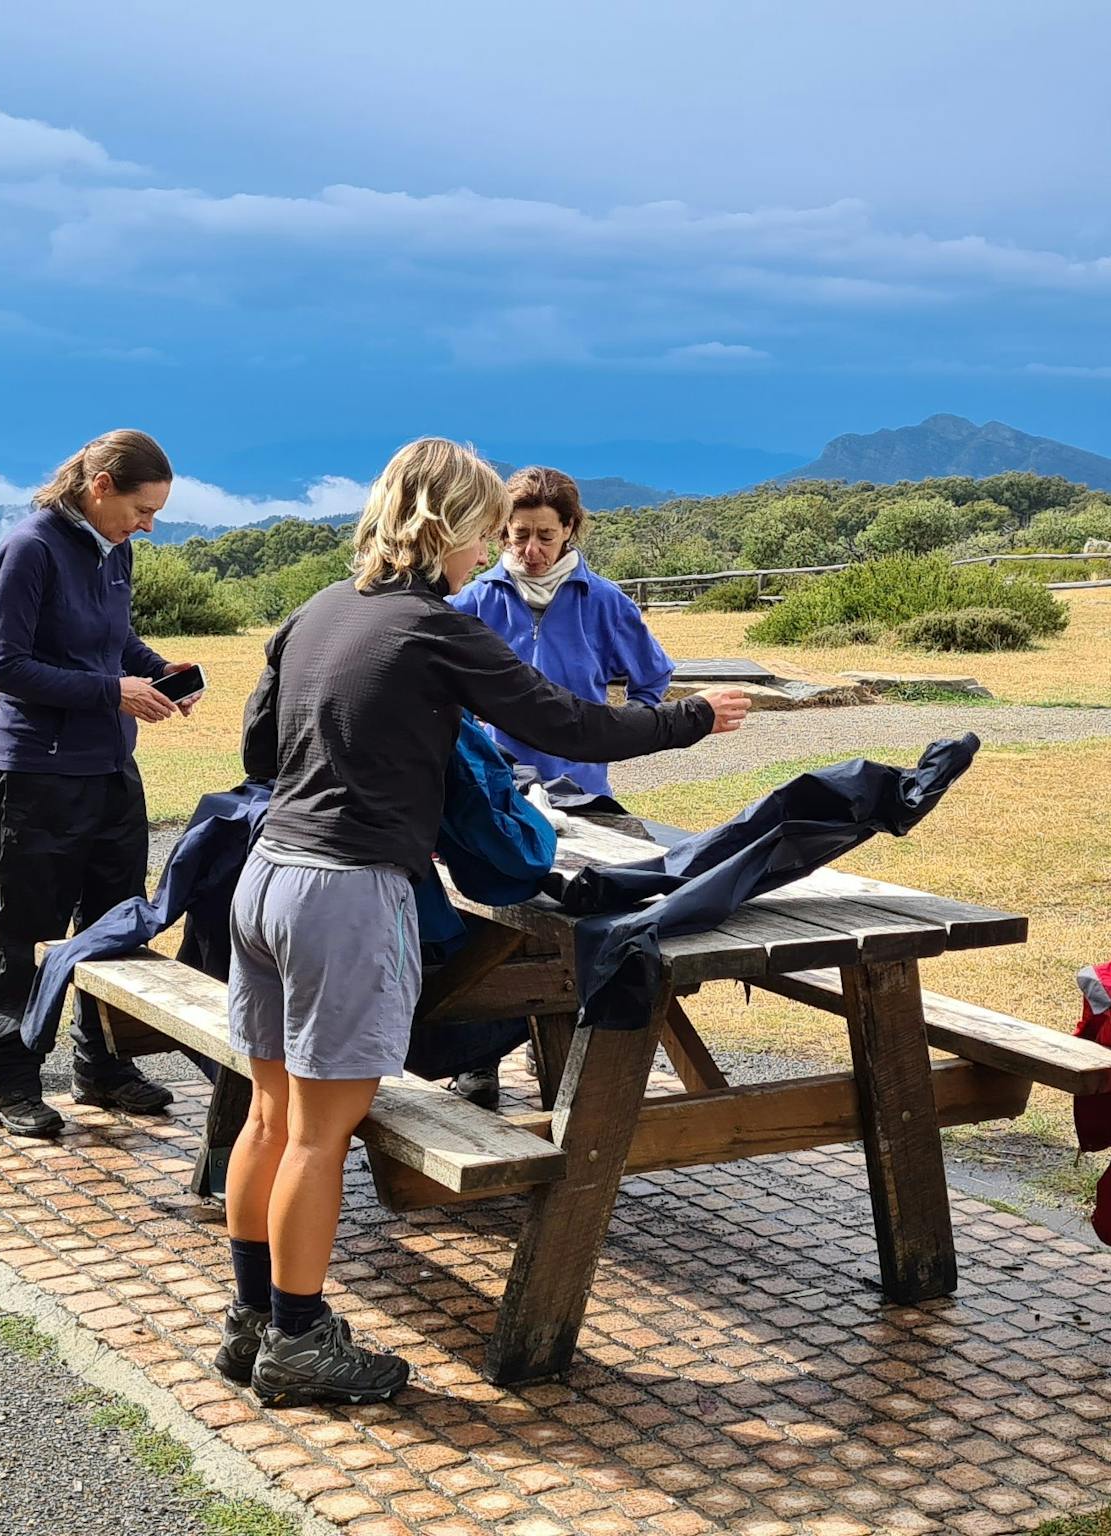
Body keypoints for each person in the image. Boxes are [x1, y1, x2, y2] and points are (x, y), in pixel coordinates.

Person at [218, 438, 749, 1407]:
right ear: (448, 525)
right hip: (344, 895)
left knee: (269, 1115)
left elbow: (261, 747)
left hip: (265, 880)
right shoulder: (433, 628)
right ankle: (297, 1341)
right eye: (483, 532)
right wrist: (691, 716)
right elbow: (566, 725)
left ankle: (252, 1320)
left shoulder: (317, 611)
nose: (487, 552)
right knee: (319, 1135)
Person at [0, 430, 199, 1139]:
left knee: (113, 925)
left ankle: (101, 1065)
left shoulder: (113, 547)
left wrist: (157, 670)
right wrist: (112, 691)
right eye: (141, 509)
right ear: (100, 486)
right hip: (38, 774)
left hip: (110, 767)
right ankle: (7, 1079)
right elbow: (4, 667)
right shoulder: (29, 549)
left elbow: (112, 640)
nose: (148, 526)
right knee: (26, 931)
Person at [443, 465, 675, 1107]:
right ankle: (478, 1057)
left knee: (575, 923)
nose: (531, 550)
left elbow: (652, 680)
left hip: (582, 796)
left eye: (545, 535)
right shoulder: (473, 600)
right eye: (518, 536)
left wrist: (621, 729)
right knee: (488, 928)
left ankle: (572, 1055)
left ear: (570, 529)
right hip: (493, 794)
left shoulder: (604, 601)